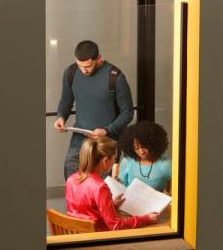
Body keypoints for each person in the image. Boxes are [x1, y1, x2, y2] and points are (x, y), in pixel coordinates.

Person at [53, 40, 134, 180]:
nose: (84, 70)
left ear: (99, 59)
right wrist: (61, 117)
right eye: (80, 66)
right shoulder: (71, 72)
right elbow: (66, 101)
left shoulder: (115, 77)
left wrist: (107, 131)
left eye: (88, 66)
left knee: (103, 189)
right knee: (73, 182)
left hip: (106, 143)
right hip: (79, 142)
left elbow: (128, 113)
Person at [65, 137, 158, 231]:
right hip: (97, 238)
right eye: (114, 159)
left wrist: (111, 206)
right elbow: (116, 226)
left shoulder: (71, 179)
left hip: (77, 234)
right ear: (105, 161)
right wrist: (145, 219)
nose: (114, 162)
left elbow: (85, 211)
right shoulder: (100, 187)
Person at [118, 121, 171, 192]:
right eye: (136, 148)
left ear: (152, 143)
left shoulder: (165, 164)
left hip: (156, 202)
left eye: (144, 147)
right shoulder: (127, 162)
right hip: (131, 201)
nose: (141, 151)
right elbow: (122, 187)